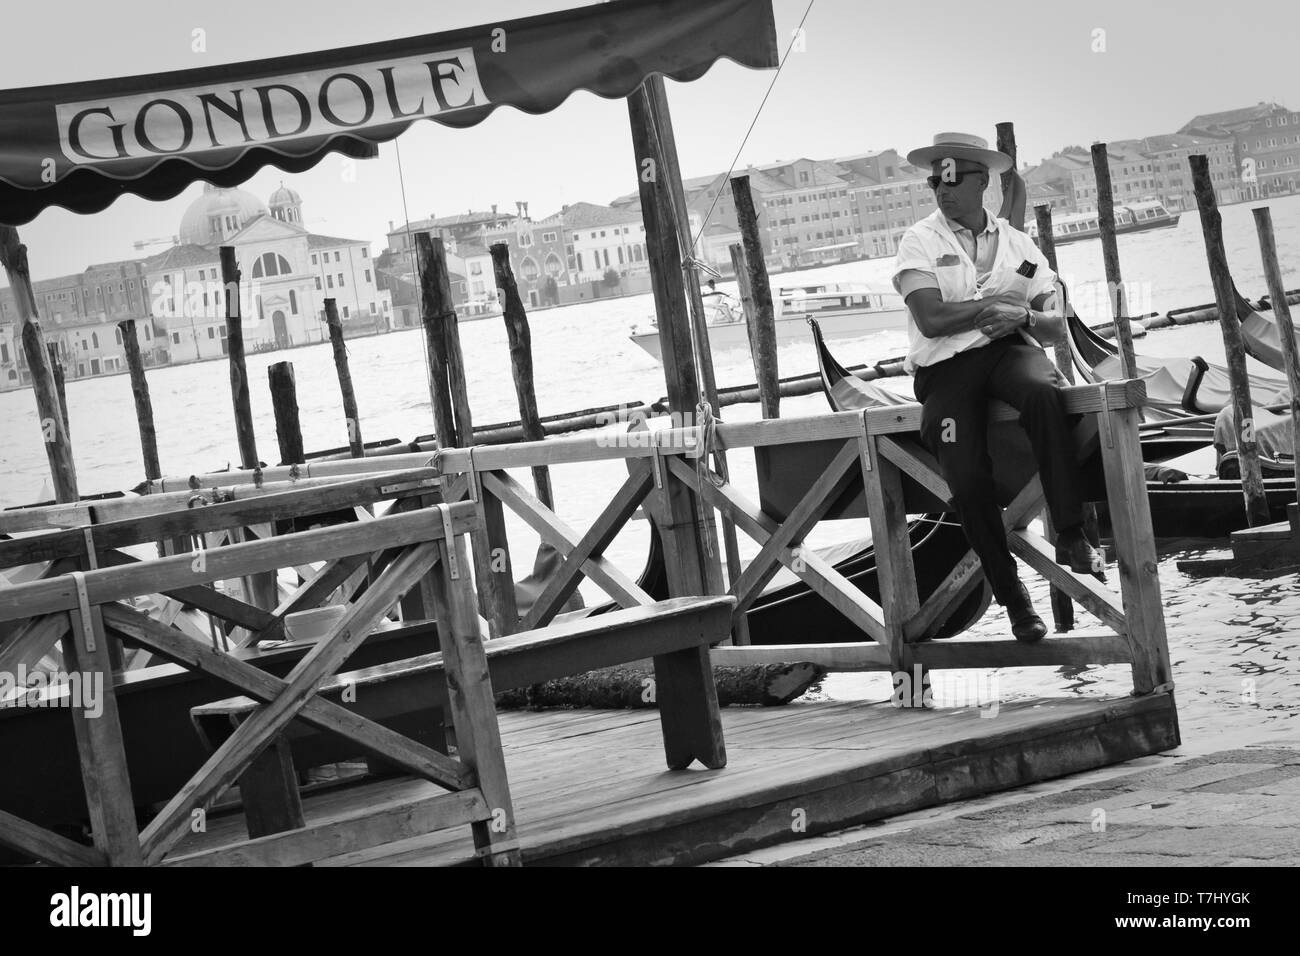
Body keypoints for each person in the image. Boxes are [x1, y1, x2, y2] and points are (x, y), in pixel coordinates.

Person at [893, 132, 1105, 643]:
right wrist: (995, 309)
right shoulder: (919, 239)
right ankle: (1014, 601)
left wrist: (1027, 314)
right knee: (966, 480)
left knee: (1045, 394)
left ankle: (1072, 533)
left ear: (982, 182)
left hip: (1008, 354)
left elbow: (1054, 324)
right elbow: (931, 318)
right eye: (934, 181)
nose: (942, 190)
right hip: (945, 369)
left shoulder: (1019, 244)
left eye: (953, 180)